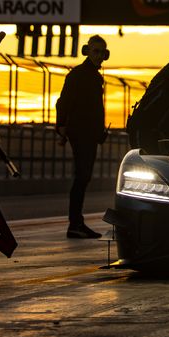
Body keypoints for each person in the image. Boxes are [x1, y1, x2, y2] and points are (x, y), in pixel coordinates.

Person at [56, 34, 110, 239]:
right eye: (95, 51)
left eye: (102, 52)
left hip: (89, 133)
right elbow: (63, 101)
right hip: (80, 132)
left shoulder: (95, 76)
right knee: (81, 177)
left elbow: (95, 109)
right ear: (87, 51)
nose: (99, 56)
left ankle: (77, 223)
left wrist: (99, 132)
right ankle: (75, 224)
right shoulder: (78, 74)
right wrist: (60, 125)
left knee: (83, 177)